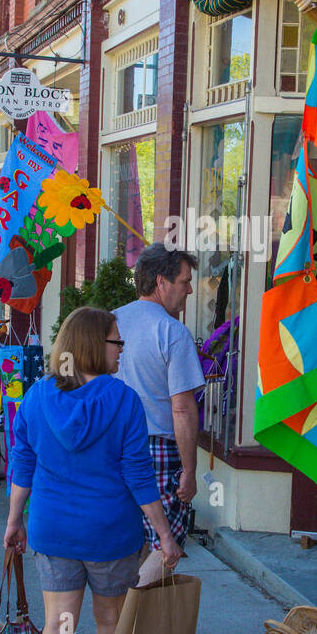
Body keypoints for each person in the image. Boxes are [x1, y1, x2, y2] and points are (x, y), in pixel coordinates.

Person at [3, 306, 180, 634]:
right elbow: (139, 476)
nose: (123, 350)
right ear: (92, 346)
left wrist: (14, 521)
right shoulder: (122, 401)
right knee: (107, 624)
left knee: (59, 629)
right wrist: (165, 535)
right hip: (108, 536)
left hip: (54, 532)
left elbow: (22, 464)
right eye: (116, 342)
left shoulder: (37, 398)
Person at [114, 244, 204, 585]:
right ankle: (130, 632)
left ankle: (117, 632)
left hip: (113, 444)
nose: (190, 290)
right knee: (165, 544)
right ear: (161, 282)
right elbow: (181, 407)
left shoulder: (110, 321)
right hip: (158, 450)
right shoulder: (172, 332)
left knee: (127, 540)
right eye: (184, 281)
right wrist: (190, 470)